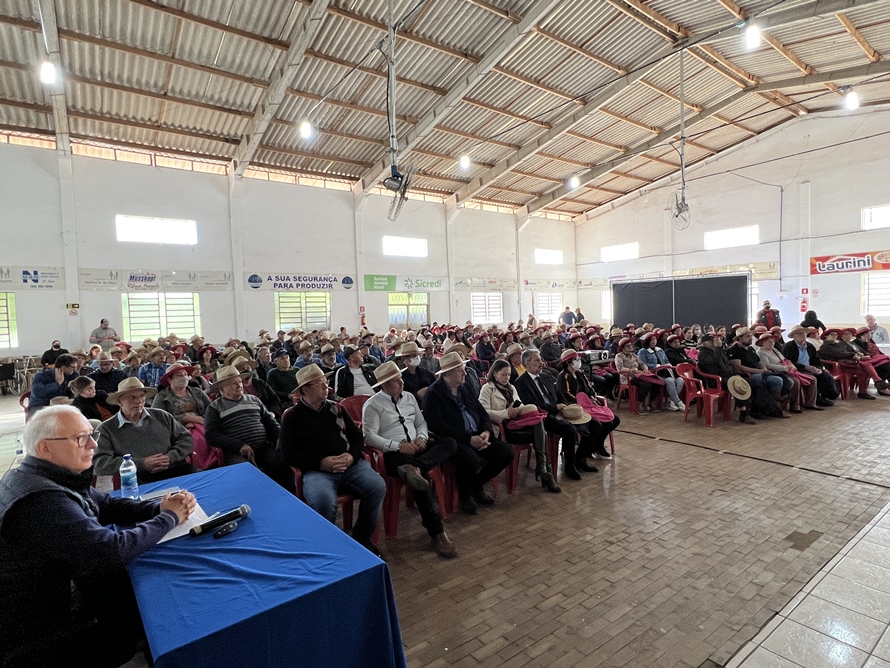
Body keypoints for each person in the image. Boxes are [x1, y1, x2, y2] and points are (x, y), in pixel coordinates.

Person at [0, 405, 196, 668]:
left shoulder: (47, 474)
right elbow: (110, 551)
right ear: (45, 448)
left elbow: (106, 504)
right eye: (81, 438)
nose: (93, 444)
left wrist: (159, 507)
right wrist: (170, 517)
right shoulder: (41, 500)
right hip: (53, 630)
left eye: (92, 435)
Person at [280, 365, 385, 555]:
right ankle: (329, 548)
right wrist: (321, 463)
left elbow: (357, 438)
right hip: (317, 471)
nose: (326, 386)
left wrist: (351, 456)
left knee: (377, 486)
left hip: (349, 465)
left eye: (325, 381)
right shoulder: (292, 417)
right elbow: (288, 454)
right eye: (319, 383)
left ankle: (362, 538)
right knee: (322, 500)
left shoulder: (337, 408)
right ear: (305, 389)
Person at [362, 361, 458, 558]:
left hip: (415, 448)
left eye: (400, 378)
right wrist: (398, 446)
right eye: (396, 381)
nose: (402, 383)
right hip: (393, 453)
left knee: (449, 443)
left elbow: (421, 422)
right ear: (384, 385)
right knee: (420, 478)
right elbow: (369, 436)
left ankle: (415, 467)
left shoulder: (409, 398)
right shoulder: (373, 405)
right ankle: (437, 532)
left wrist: (421, 438)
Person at [422, 352, 514, 515]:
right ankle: (465, 496)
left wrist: (486, 431)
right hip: (453, 440)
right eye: (461, 370)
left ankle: (476, 485)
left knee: (506, 453)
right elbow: (438, 426)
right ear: (449, 373)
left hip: (477, 434)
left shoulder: (464, 388)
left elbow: (482, 412)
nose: (465, 373)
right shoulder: (434, 394)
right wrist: (469, 439)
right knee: (470, 458)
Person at [204, 366, 293, 490]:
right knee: (243, 472)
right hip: (235, 451)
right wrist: (238, 445)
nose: (239, 385)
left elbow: (270, 422)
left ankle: (282, 495)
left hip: (263, 446)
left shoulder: (254, 400)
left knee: (282, 462)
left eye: (239, 382)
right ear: (222, 389)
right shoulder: (214, 407)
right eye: (233, 383)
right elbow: (211, 436)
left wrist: (278, 435)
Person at [480, 359, 560, 493]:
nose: (507, 378)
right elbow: (483, 412)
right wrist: (506, 413)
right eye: (503, 375)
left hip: (517, 423)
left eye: (509, 375)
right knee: (542, 432)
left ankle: (543, 470)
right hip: (503, 428)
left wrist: (521, 409)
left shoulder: (511, 388)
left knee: (538, 422)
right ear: (494, 374)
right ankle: (544, 471)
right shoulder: (487, 389)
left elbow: (520, 404)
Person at [94, 378, 195, 483]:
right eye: (132, 397)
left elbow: (186, 438)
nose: (138, 401)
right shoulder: (106, 428)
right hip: (137, 477)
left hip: (175, 469)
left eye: (141, 396)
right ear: (120, 402)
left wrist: (170, 457)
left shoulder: (161, 415)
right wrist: (142, 464)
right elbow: (101, 464)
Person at [514, 349, 594, 480]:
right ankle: (570, 466)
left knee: (593, 423)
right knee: (569, 429)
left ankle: (581, 459)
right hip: (543, 417)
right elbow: (532, 405)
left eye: (540, 359)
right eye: (537, 360)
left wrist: (564, 405)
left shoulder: (545, 376)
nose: (541, 363)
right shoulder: (520, 383)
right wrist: (554, 407)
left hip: (559, 411)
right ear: (527, 363)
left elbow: (559, 394)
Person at [151, 362, 219, 470]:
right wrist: (185, 419)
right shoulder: (162, 396)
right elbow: (157, 419)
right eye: (179, 375)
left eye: (185, 374)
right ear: (169, 379)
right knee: (191, 440)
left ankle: (212, 464)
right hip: (175, 431)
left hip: (201, 425)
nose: (184, 377)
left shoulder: (197, 392)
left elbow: (211, 410)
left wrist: (199, 421)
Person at [726, 327, 787, 417]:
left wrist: (764, 370)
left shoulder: (751, 349)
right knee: (758, 380)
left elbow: (760, 362)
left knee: (778, 380)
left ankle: (772, 407)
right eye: (747, 336)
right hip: (746, 375)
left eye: (751, 336)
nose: (751, 338)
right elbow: (738, 367)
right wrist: (758, 371)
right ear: (739, 338)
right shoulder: (733, 350)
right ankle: (758, 408)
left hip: (758, 372)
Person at [697, 333, 756, 424]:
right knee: (735, 384)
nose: (717, 341)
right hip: (715, 381)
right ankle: (744, 413)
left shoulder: (719, 352)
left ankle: (755, 408)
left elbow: (728, 364)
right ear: (706, 343)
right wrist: (718, 348)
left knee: (752, 382)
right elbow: (716, 363)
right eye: (714, 340)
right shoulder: (703, 354)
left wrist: (737, 373)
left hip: (727, 377)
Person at [781, 325, 838, 407]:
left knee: (825, 376)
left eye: (803, 333)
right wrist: (805, 367)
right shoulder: (788, 347)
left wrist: (818, 368)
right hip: (796, 369)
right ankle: (816, 399)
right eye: (798, 333)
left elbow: (817, 360)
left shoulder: (810, 346)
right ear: (794, 336)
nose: (801, 335)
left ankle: (825, 396)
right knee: (812, 377)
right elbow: (788, 362)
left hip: (811, 367)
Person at [755, 333, 810, 412]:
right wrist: (784, 368)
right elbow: (768, 365)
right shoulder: (760, 352)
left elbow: (784, 360)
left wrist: (791, 366)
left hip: (784, 370)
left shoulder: (775, 350)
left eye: (773, 342)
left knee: (802, 379)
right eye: (769, 342)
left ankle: (796, 404)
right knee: (795, 382)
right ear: (763, 343)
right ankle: (792, 405)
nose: (772, 343)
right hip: (775, 372)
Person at [818, 328, 876, 400]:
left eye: (836, 335)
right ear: (826, 336)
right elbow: (839, 354)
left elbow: (843, 353)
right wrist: (853, 354)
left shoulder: (835, 344)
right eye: (832, 335)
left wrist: (852, 355)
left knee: (864, 370)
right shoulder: (826, 346)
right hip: (835, 367)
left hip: (843, 364)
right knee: (864, 370)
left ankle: (863, 391)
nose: (834, 336)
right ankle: (864, 391)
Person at [637, 333, 685, 412]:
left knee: (680, 380)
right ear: (647, 341)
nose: (653, 341)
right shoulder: (642, 351)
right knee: (670, 381)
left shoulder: (660, 350)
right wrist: (658, 365)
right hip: (653, 373)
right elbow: (643, 364)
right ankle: (678, 402)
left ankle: (671, 401)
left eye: (655, 339)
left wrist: (667, 365)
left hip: (666, 371)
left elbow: (666, 361)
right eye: (651, 340)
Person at [613, 338, 660, 414]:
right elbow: (620, 368)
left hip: (638, 375)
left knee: (656, 382)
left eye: (630, 345)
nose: (630, 347)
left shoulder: (633, 355)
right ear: (623, 348)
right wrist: (632, 370)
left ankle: (651, 402)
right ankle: (638, 404)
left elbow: (642, 364)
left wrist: (645, 368)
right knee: (645, 384)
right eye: (628, 346)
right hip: (628, 377)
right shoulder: (619, 356)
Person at [853, 327, 890, 395]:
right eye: (867, 333)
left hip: (877, 358)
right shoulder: (856, 342)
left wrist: (883, 356)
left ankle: (885, 386)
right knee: (885, 366)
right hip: (869, 360)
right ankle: (882, 388)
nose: (869, 334)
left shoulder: (871, 340)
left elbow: (877, 350)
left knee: (887, 363)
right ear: (862, 334)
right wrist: (864, 342)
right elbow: (863, 353)